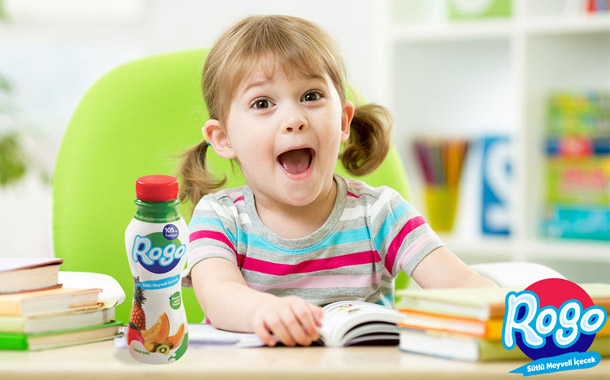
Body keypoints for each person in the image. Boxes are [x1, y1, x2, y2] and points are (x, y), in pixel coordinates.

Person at [179, 15, 496, 347]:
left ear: (344, 120)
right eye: (263, 103)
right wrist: (265, 311)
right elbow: (217, 293)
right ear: (223, 138)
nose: (294, 120)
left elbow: (457, 281)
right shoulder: (219, 216)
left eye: (311, 96)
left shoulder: (381, 213)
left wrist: (513, 307)